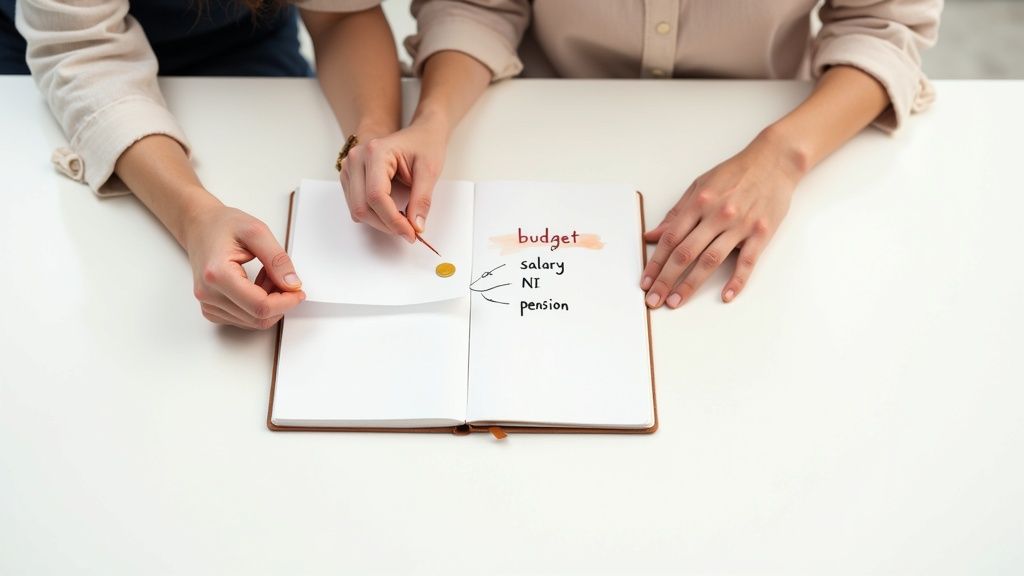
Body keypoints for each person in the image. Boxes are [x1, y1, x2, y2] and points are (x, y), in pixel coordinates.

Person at [340, 0, 941, 309]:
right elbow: (478, 6)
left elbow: (882, 26)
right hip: (535, 118)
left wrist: (782, 156)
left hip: (774, 123)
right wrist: (434, 119)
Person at [5, 0, 401, 329]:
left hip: (246, 43)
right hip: (63, 58)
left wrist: (371, 137)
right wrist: (195, 217)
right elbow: (83, 53)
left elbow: (340, 15)